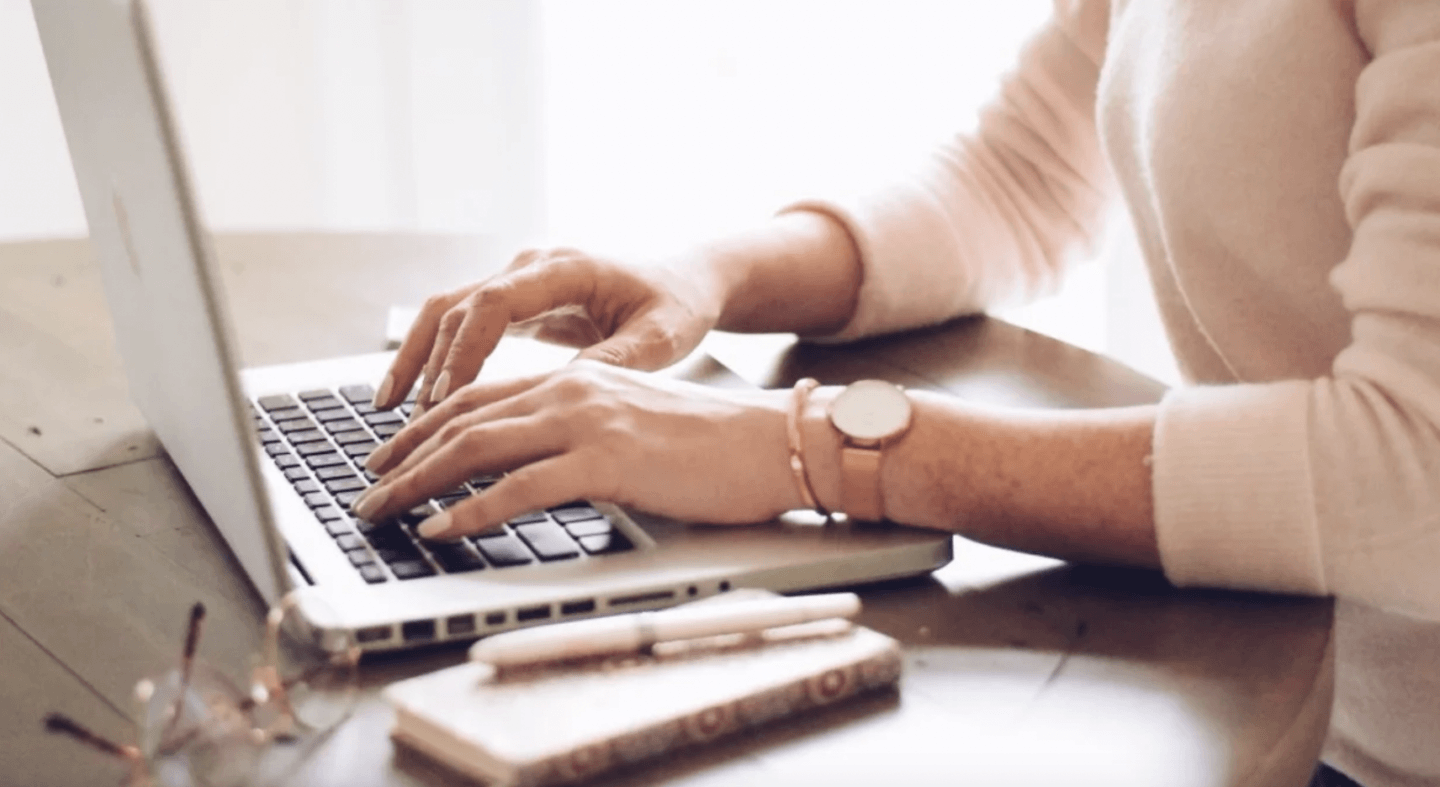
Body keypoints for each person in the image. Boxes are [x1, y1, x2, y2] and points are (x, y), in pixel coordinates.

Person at [350, 2, 1440, 785]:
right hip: (1316, 693)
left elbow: (1415, 472)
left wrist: (815, 448)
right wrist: (711, 272)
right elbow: (1023, 175)